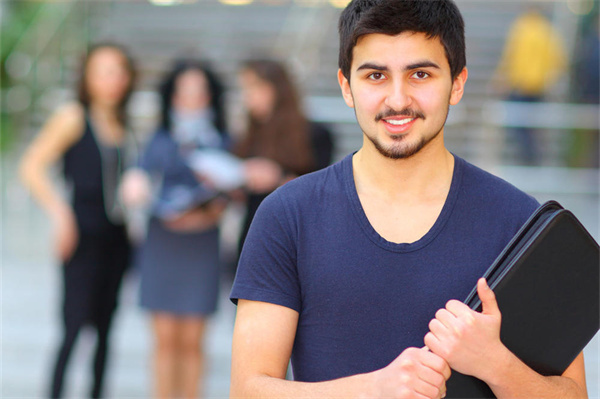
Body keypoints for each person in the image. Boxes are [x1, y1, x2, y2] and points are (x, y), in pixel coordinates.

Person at [229, 1, 588, 398]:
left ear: (458, 83)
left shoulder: (520, 222)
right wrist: (373, 389)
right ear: (347, 86)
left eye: (420, 74)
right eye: (376, 75)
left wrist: (494, 363)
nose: (398, 100)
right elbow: (248, 389)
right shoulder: (287, 215)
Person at [19, 43, 136, 398]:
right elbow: (31, 167)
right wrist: (61, 213)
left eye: (118, 70)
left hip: (117, 239)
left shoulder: (122, 123)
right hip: (81, 238)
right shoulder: (72, 116)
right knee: (72, 329)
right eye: (103, 70)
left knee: (105, 331)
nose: (112, 79)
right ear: (86, 76)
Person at [121, 59, 230, 399]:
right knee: (165, 341)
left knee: (193, 342)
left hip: (201, 246)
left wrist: (214, 202)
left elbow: (232, 189)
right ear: (171, 96)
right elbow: (142, 180)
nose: (192, 100)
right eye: (184, 92)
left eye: (199, 92)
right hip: (163, 245)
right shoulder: (158, 139)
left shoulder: (224, 140)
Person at [233, 58, 334, 273]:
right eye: (244, 88)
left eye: (254, 87)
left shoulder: (314, 134)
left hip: (297, 238)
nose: (247, 96)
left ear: (276, 88)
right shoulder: (250, 135)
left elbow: (321, 191)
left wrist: (277, 178)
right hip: (254, 234)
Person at [492, 6, 567, 165]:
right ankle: (530, 156)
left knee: (520, 125)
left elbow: (511, 56)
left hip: (522, 84)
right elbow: (556, 59)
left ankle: (528, 156)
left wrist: (503, 78)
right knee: (528, 125)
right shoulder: (547, 30)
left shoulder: (522, 27)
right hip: (537, 86)